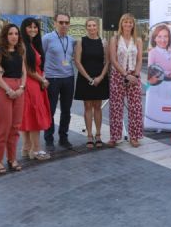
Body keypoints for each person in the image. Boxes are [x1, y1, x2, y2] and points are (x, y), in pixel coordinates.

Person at [0, 24, 26, 174]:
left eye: (16, 33)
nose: (14, 36)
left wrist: (21, 88)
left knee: (15, 127)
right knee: (3, 127)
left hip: (19, 90)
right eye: (10, 33)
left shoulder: (19, 51)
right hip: (3, 89)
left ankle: (11, 158)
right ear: (5, 35)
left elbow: (24, 72)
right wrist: (8, 89)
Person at [108, 13, 143, 148]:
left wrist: (136, 75)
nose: (128, 25)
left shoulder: (138, 40)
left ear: (133, 25)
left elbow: (140, 59)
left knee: (135, 107)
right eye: (125, 22)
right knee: (116, 107)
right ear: (121, 24)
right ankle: (114, 137)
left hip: (135, 75)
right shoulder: (115, 39)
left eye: (130, 22)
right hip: (118, 75)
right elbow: (113, 59)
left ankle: (134, 137)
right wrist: (125, 74)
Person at [19, 18, 52, 161]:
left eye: (35, 27)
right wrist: (42, 80)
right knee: (34, 117)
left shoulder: (30, 44)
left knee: (27, 116)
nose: (33, 29)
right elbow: (29, 69)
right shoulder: (24, 45)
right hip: (32, 84)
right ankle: (36, 150)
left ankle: (26, 148)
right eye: (30, 27)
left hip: (30, 84)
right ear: (24, 28)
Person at [74, 18, 109, 149]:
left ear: (97, 27)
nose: (92, 28)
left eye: (94, 25)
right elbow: (77, 61)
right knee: (88, 107)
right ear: (86, 27)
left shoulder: (103, 42)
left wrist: (100, 77)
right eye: (89, 25)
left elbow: (107, 62)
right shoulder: (80, 41)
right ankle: (89, 135)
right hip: (85, 77)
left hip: (100, 77)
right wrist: (89, 78)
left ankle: (98, 134)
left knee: (98, 107)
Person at [42, 13, 75, 150]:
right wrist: (42, 77)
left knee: (66, 110)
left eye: (66, 23)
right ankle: (49, 138)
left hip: (69, 78)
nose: (64, 25)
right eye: (61, 22)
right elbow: (40, 58)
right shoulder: (47, 39)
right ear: (55, 23)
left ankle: (63, 137)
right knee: (50, 110)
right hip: (52, 78)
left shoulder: (71, 40)